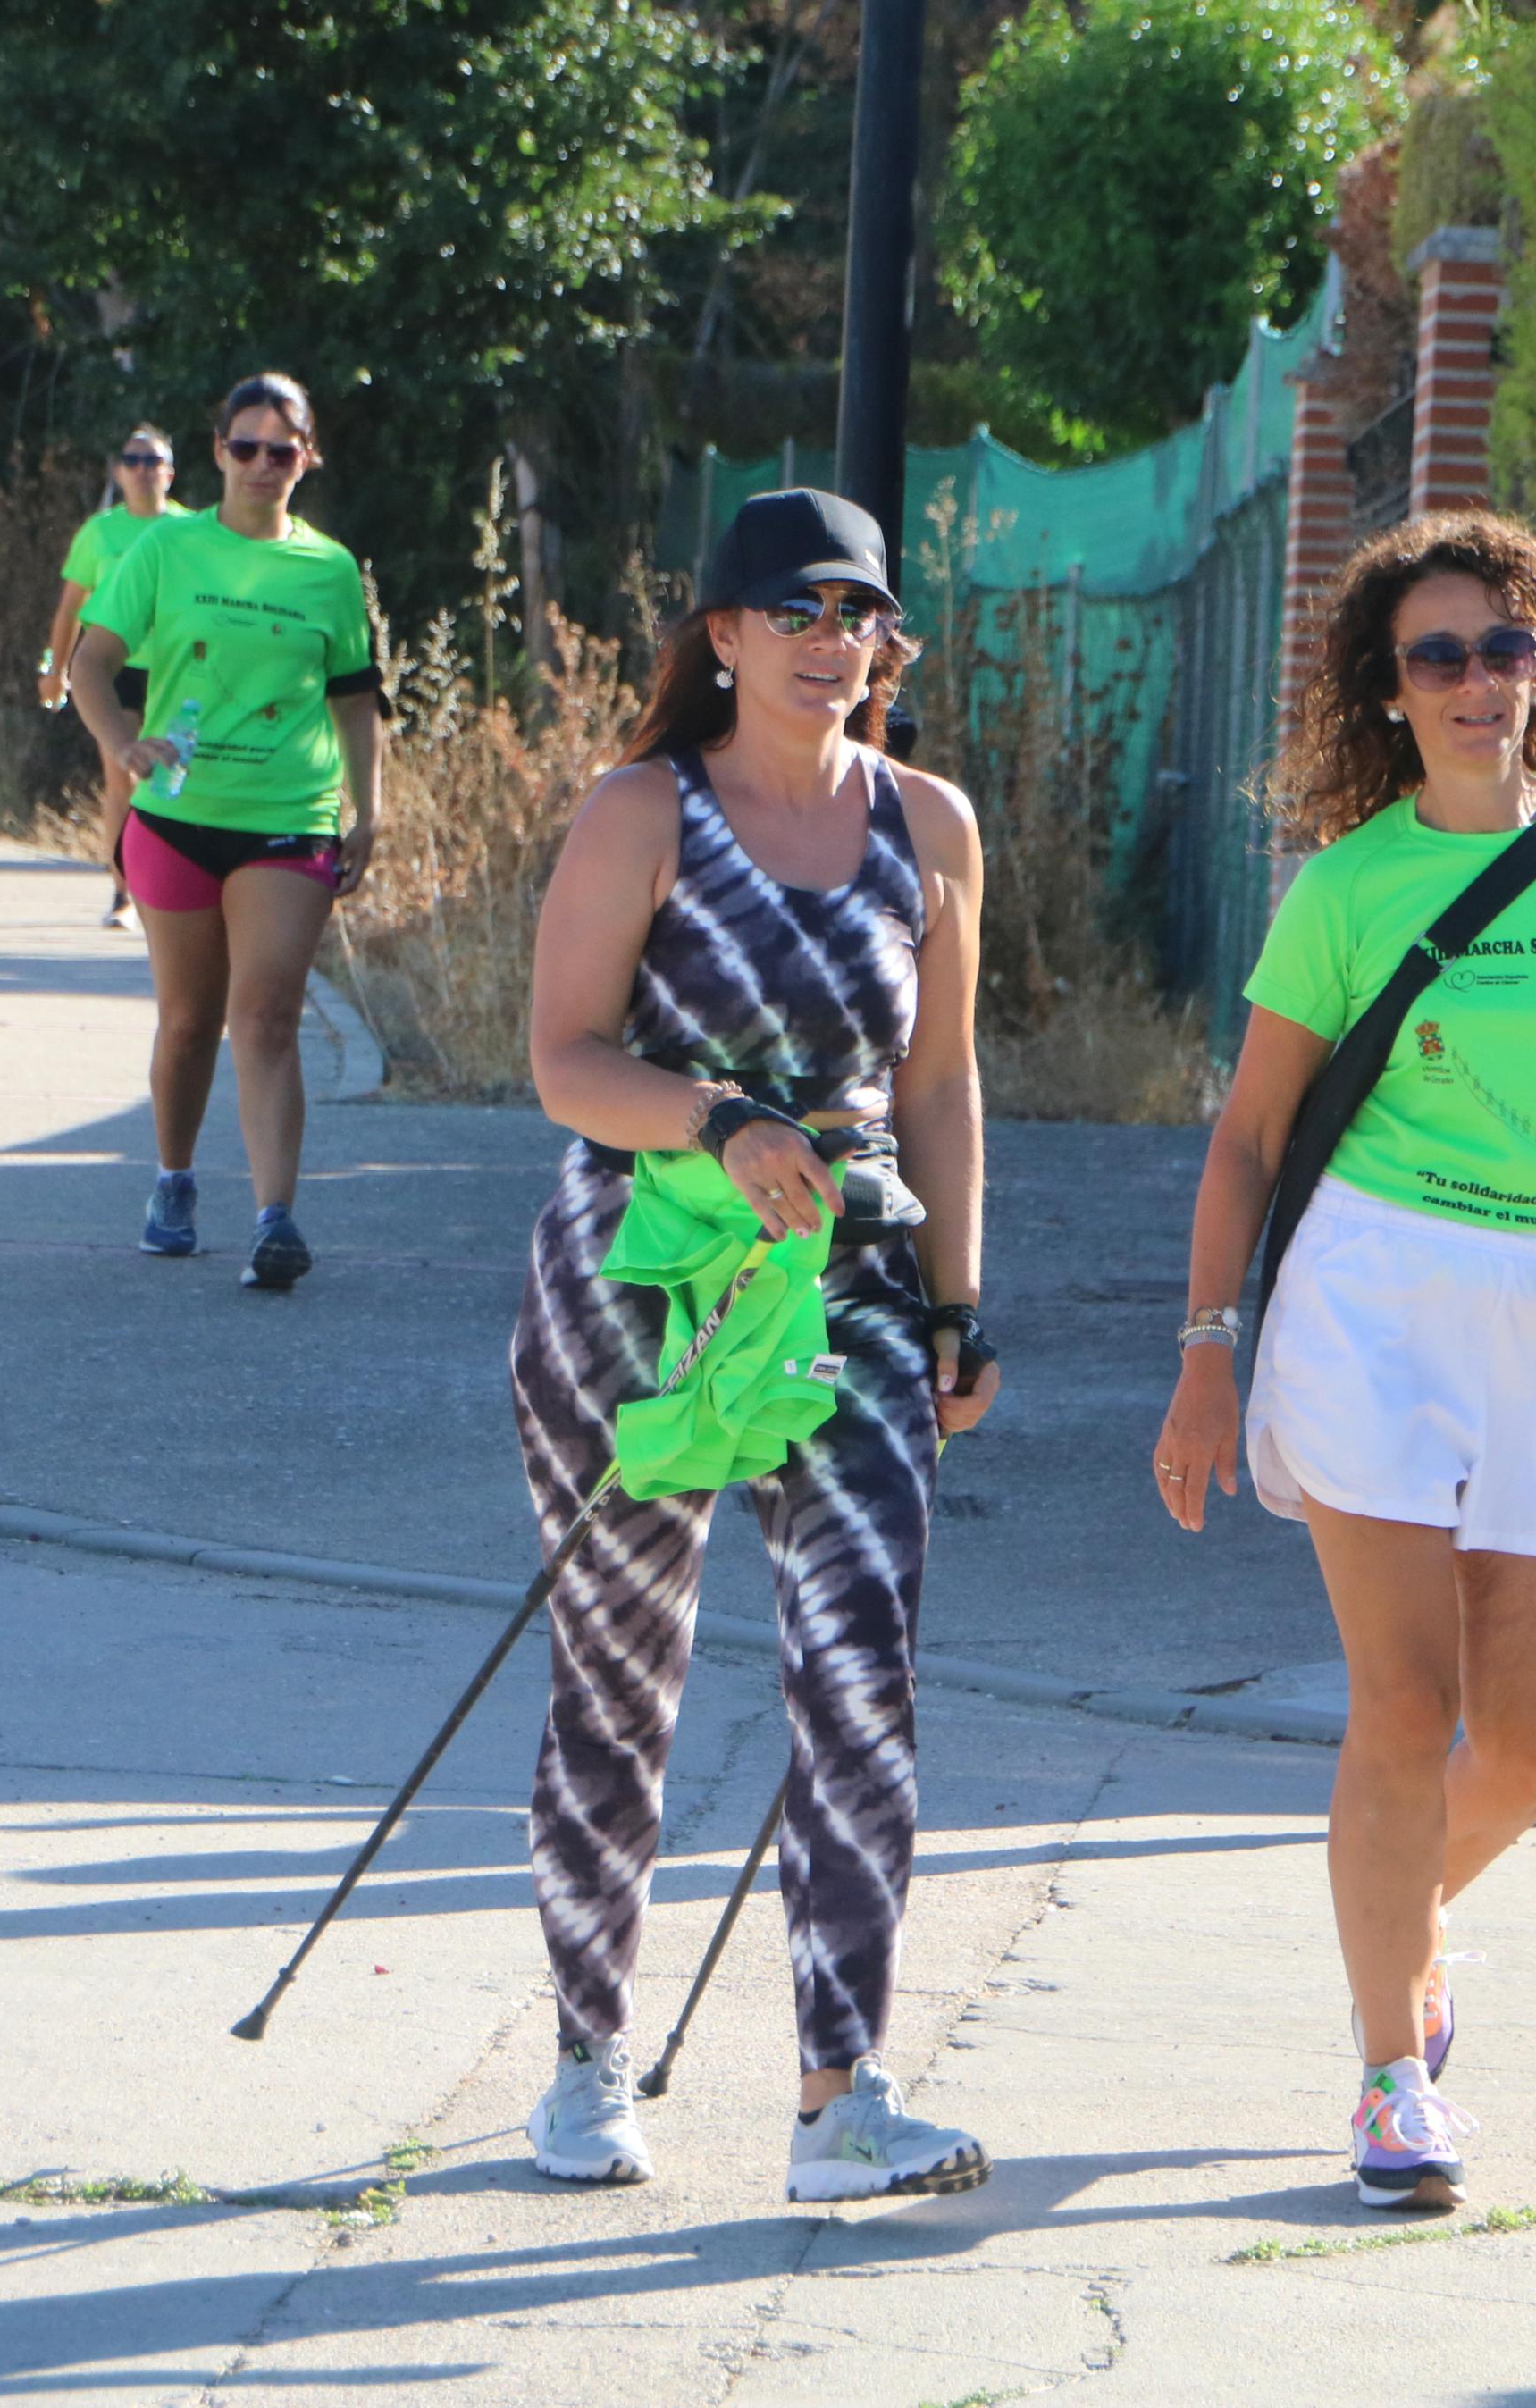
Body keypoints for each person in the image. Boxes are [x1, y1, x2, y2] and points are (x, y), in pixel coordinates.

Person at [1151, 513, 1536, 2213]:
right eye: (1438, 656)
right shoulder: (1346, 887)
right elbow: (1246, 1143)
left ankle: (1401, 1928)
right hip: (1373, 1295)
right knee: (1403, 1703)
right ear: (1388, 687)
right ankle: (1382, 2077)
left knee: (1532, 1738)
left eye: (1504, 650)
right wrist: (1210, 1354)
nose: (1477, 683)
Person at [508, 487, 997, 2202]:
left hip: (847, 1276)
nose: (823, 636)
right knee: (618, 1674)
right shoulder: (639, 810)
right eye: (786, 606)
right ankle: (584, 2060)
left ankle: (837, 2095)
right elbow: (565, 1062)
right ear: (716, 637)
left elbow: (937, 1088)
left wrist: (955, 1299)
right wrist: (715, 1120)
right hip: (638, 1270)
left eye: (855, 608)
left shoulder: (927, 823)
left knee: (859, 1668)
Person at [63, 373, 382, 1288]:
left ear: (306, 458)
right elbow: (92, 664)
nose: (262, 465)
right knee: (190, 1020)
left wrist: (370, 808)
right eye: (244, 447)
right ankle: (172, 1178)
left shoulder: (326, 568)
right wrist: (122, 743)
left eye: (282, 450)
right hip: (173, 819)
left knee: (267, 1016)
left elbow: (355, 700)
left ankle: (274, 1217)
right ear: (216, 454)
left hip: (288, 818)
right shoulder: (166, 548)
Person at [46, 427, 187, 921]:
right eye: (133, 460)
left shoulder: (194, 531)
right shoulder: (99, 532)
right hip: (114, 668)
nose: (144, 469)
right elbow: (69, 610)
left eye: (154, 461)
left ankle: (171, 885)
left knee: (176, 780)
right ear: (118, 471)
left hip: (177, 670)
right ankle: (124, 892)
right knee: (123, 776)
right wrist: (54, 670)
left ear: (170, 471)